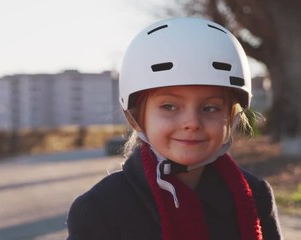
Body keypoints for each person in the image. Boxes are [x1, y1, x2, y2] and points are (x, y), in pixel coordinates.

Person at [66, 17, 282, 240]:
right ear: (136, 118)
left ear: (232, 116)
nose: (192, 122)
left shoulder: (254, 196)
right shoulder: (100, 208)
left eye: (210, 108)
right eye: (169, 106)